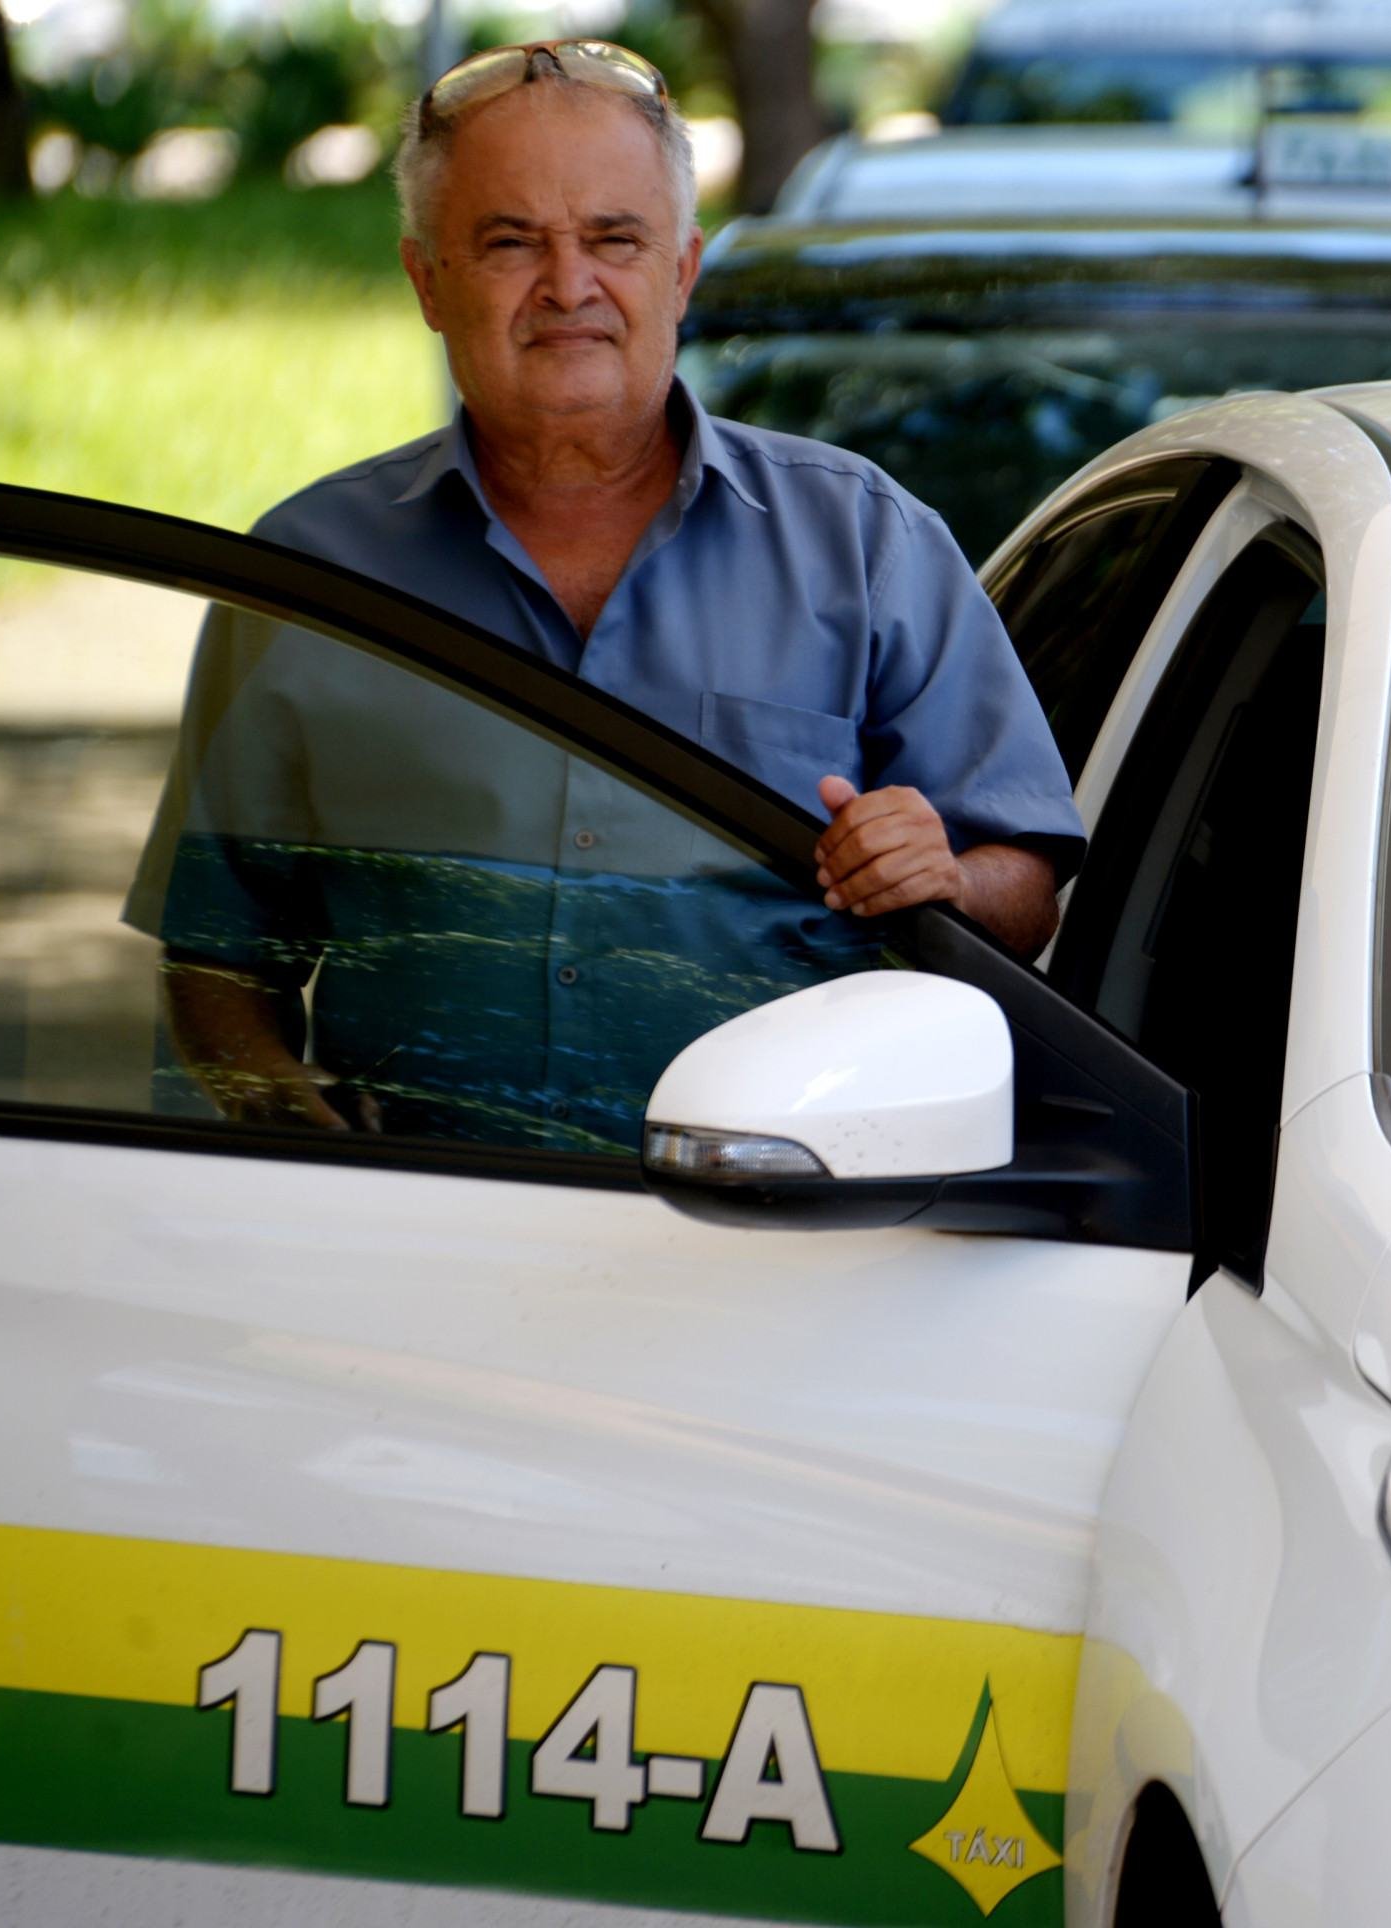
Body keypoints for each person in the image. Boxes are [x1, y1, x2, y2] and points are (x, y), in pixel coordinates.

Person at [126, 41, 1080, 1148]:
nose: (568, 286)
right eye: (510, 242)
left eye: (613, 239)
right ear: (428, 281)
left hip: (792, 1242)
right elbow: (212, 958)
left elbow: (1028, 893)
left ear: (682, 270)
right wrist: (313, 1150)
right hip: (409, 1247)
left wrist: (947, 879)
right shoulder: (304, 576)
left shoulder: (869, 542)